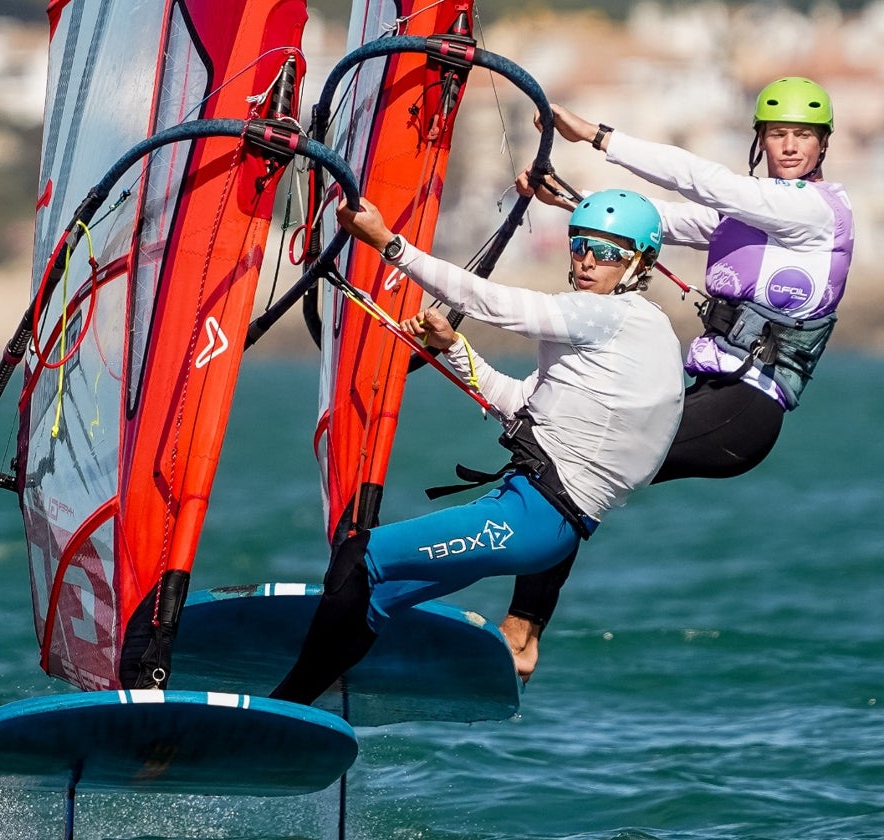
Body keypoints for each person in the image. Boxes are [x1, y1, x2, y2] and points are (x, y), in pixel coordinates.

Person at [269, 189, 685, 705]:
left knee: (360, 556)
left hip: (532, 518)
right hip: (531, 516)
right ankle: (320, 687)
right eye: (579, 245)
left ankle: (286, 702)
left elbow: (489, 301)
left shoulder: (611, 317)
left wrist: (387, 244)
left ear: (639, 262)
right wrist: (453, 349)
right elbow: (522, 402)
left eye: (605, 251)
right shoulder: (630, 335)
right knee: (376, 596)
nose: (585, 260)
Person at [501, 77, 855, 681]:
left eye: (803, 135)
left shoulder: (813, 212)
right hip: (710, 393)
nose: (790, 146)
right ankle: (521, 633)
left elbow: (704, 179)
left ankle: (520, 631)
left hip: (746, 412)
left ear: (822, 144)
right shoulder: (746, 215)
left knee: (568, 471)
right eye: (777, 134)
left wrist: (595, 134)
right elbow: (654, 222)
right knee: (559, 468)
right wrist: (571, 197)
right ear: (761, 141)